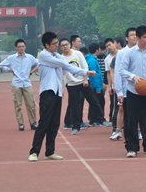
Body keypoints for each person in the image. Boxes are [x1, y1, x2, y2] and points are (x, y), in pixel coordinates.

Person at [28, 32, 96, 162]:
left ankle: (50, 151)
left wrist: (86, 72)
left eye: (56, 43)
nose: (57, 46)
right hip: (48, 92)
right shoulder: (43, 55)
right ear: (47, 45)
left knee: (54, 123)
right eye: (54, 43)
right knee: (44, 122)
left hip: (57, 92)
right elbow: (64, 65)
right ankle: (34, 151)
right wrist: (83, 71)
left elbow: (68, 67)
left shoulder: (57, 56)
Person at [119, 25, 146, 158]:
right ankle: (132, 148)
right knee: (132, 121)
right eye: (144, 37)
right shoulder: (130, 53)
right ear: (138, 38)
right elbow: (122, 70)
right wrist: (133, 77)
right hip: (133, 91)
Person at [59, 39, 108, 135]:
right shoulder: (61, 58)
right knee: (74, 105)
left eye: (66, 44)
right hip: (72, 84)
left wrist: (86, 79)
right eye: (62, 45)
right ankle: (75, 126)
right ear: (60, 48)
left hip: (83, 81)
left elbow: (85, 67)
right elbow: (59, 73)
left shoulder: (77, 54)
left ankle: (101, 119)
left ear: (69, 44)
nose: (65, 47)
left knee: (93, 100)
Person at [0, 39, 39, 131]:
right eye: (19, 46)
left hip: (27, 83)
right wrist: (10, 70)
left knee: (31, 104)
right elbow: (1, 65)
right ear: (16, 47)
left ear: (25, 47)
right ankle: (21, 124)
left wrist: (31, 72)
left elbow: (39, 64)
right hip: (16, 83)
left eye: (23, 46)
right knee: (18, 105)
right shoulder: (11, 58)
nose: (21, 48)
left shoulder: (30, 57)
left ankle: (33, 123)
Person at [85, 42, 108, 125]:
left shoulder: (92, 59)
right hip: (95, 86)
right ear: (96, 50)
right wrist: (98, 88)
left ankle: (95, 119)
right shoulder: (92, 61)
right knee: (96, 103)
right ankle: (94, 119)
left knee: (97, 102)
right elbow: (94, 75)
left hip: (97, 85)